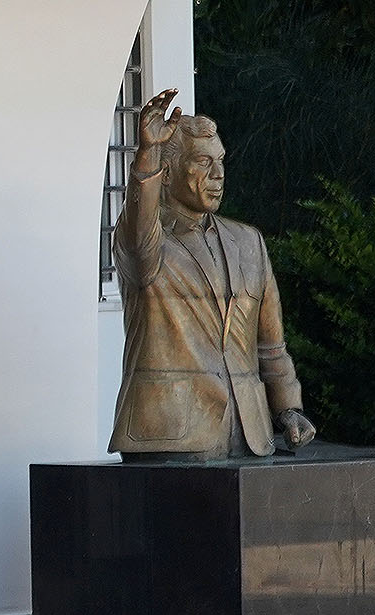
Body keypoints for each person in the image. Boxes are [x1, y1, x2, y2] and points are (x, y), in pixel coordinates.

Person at [108, 89, 315, 460]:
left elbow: (270, 345)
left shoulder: (249, 242)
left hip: (248, 436)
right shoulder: (146, 243)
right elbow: (139, 226)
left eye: (220, 161)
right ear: (167, 173)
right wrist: (148, 154)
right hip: (168, 435)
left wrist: (288, 407)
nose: (218, 174)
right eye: (203, 162)